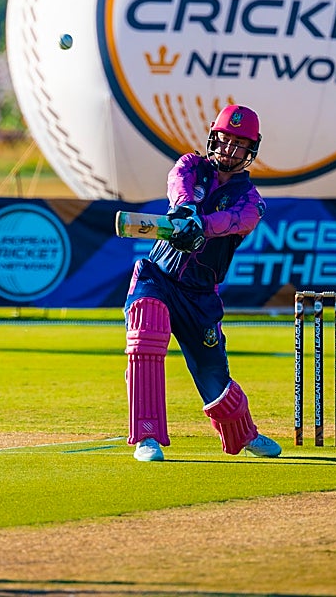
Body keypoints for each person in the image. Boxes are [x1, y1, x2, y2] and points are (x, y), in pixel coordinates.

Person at [123, 104, 282, 462]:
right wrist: (186, 211)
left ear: (250, 151)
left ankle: (244, 434)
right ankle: (145, 438)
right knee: (145, 336)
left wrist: (204, 227)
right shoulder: (191, 166)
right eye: (224, 141)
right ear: (213, 137)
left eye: (238, 145)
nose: (228, 150)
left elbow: (237, 220)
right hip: (158, 277)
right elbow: (179, 186)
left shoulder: (251, 200)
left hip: (199, 297)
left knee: (216, 382)